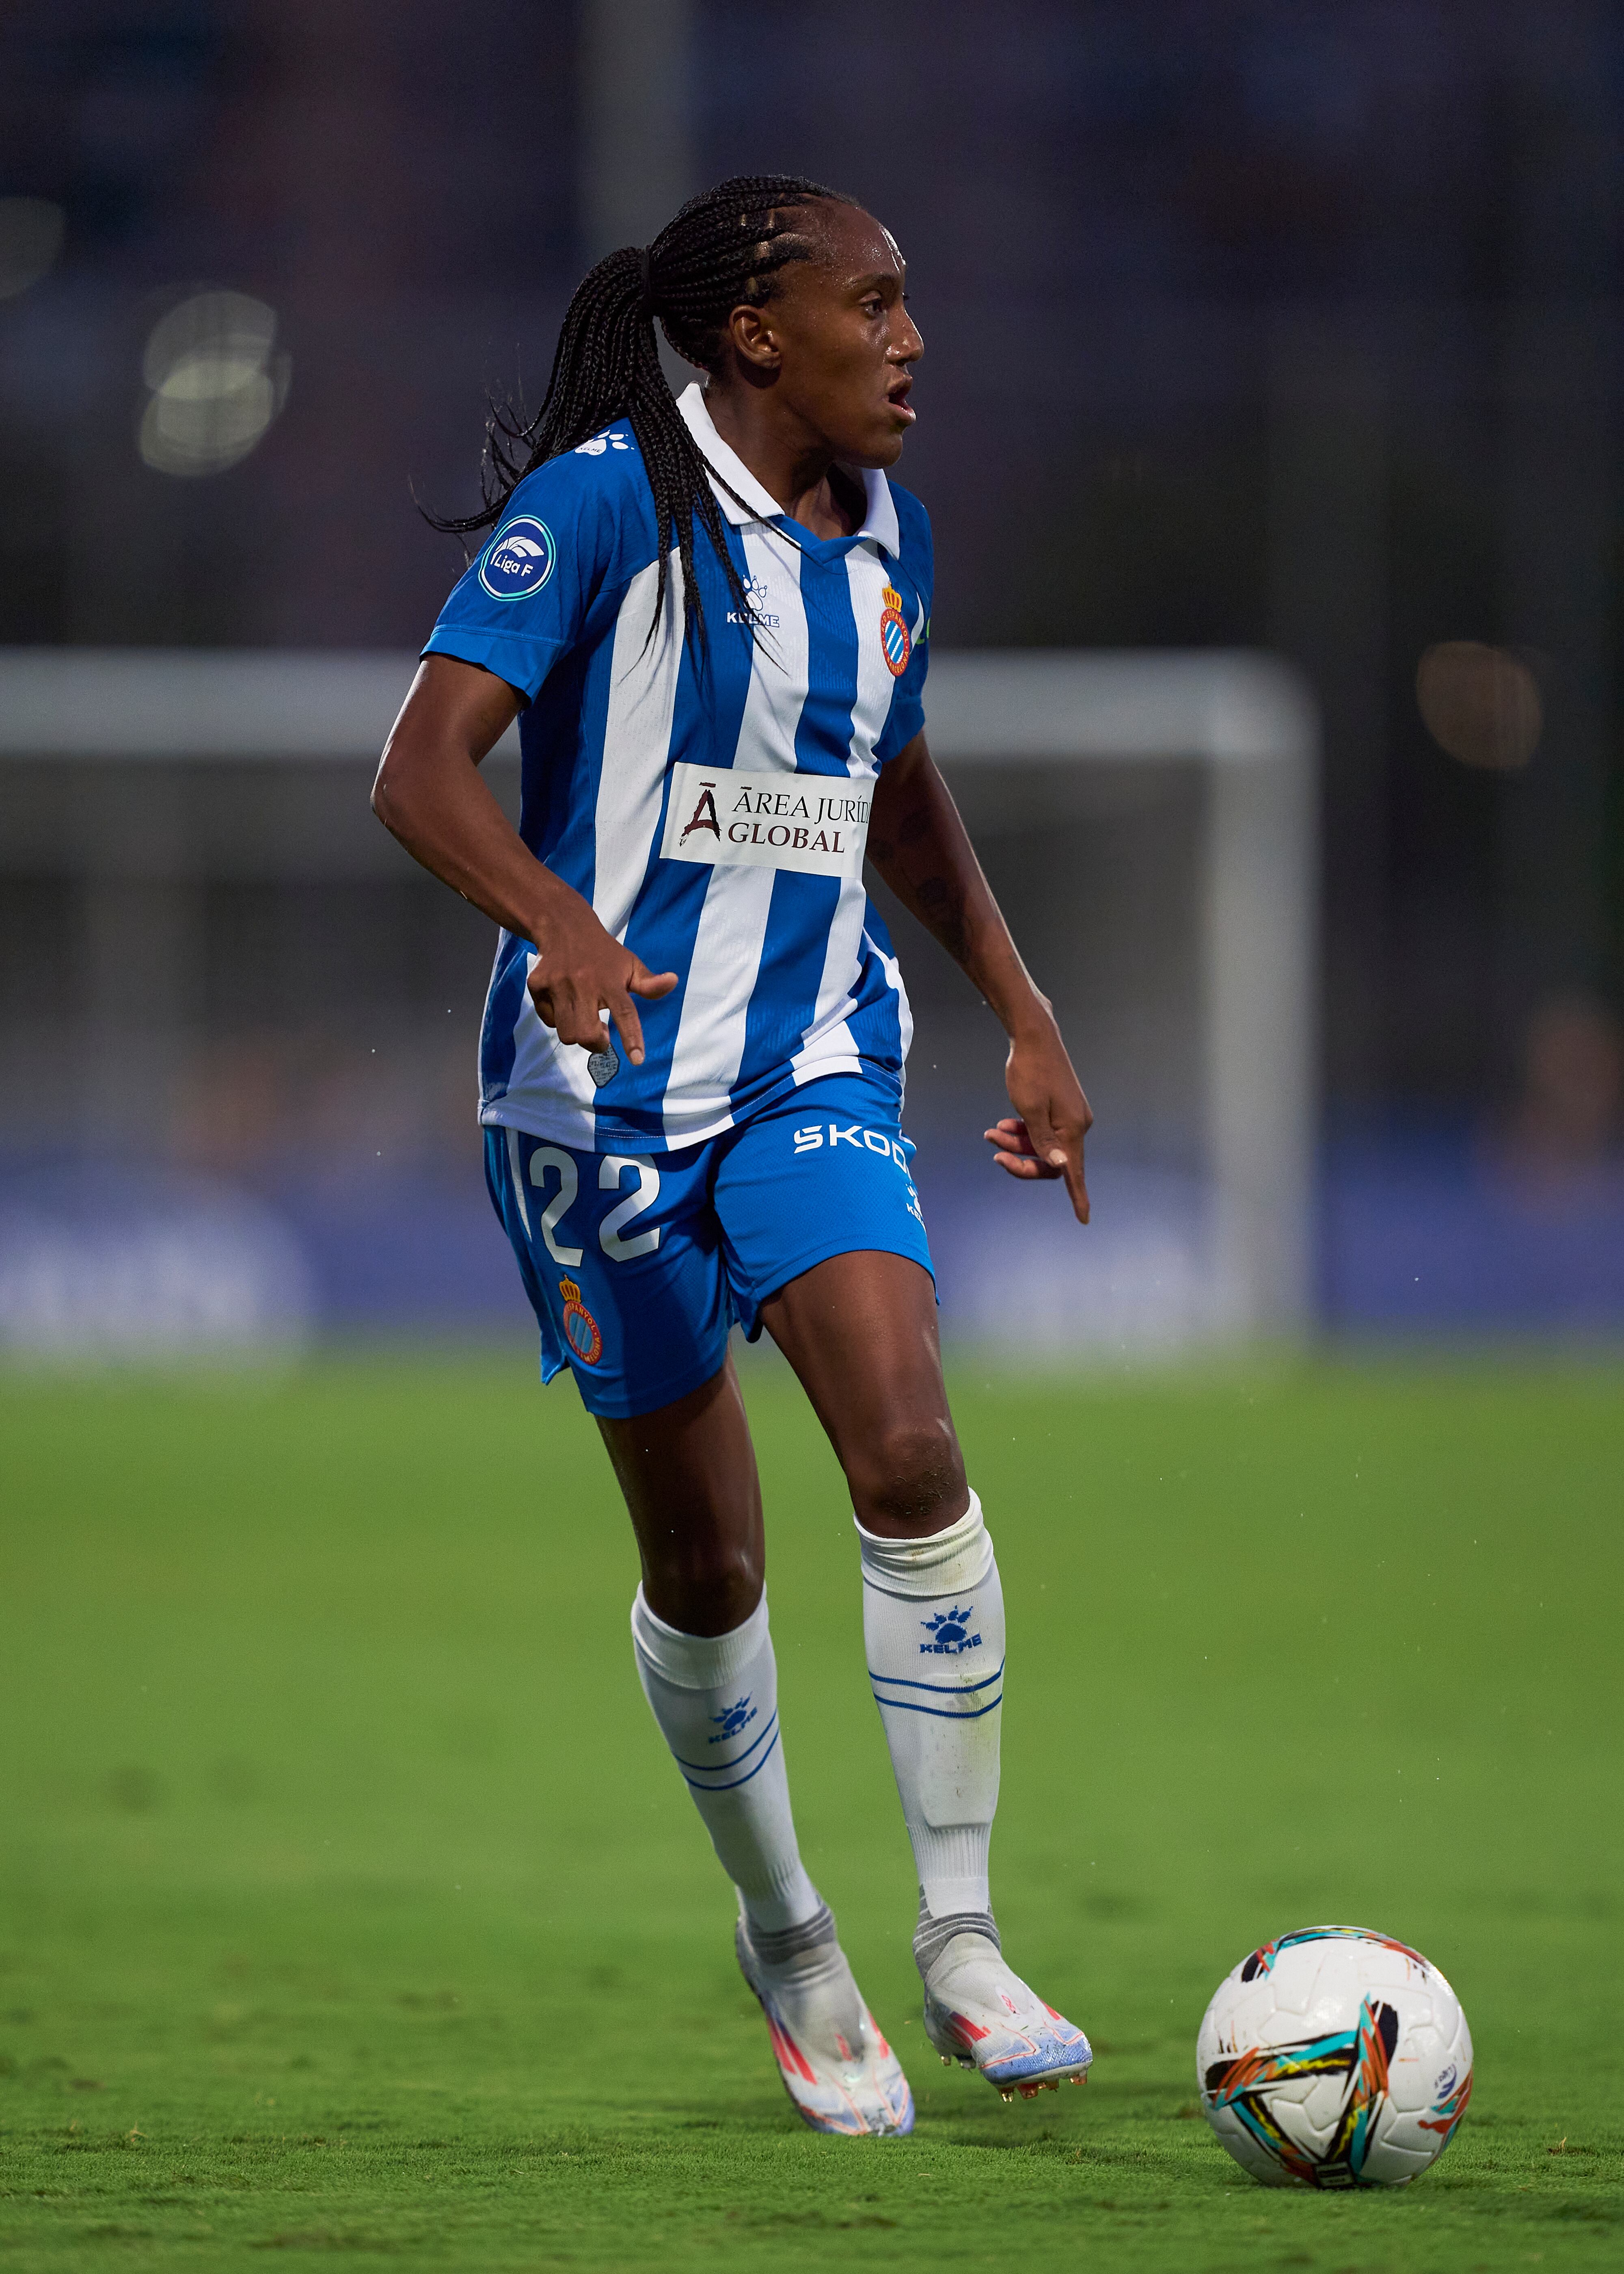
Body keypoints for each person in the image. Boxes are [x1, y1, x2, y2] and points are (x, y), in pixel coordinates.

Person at [374, 174, 1095, 2138]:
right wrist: (563, 924)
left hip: (811, 1061)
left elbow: (902, 792)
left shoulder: (891, 545)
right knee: (706, 1564)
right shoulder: (606, 502)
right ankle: (790, 1931)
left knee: (912, 1445)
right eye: (879, 301)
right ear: (761, 331)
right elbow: (417, 770)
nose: (913, 337)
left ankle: (957, 1930)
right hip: (590, 1096)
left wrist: (1024, 1011)